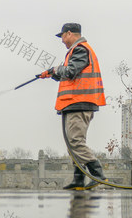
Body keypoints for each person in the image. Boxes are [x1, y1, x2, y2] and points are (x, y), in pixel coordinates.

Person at [38, 23, 106, 190]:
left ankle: (97, 174)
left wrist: (55, 69)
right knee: (72, 142)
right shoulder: (75, 51)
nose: (62, 40)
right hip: (73, 103)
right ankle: (79, 178)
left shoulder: (80, 49)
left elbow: (70, 71)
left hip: (80, 102)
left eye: (62, 36)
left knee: (75, 141)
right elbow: (70, 75)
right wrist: (53, 74)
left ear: (69, 33)